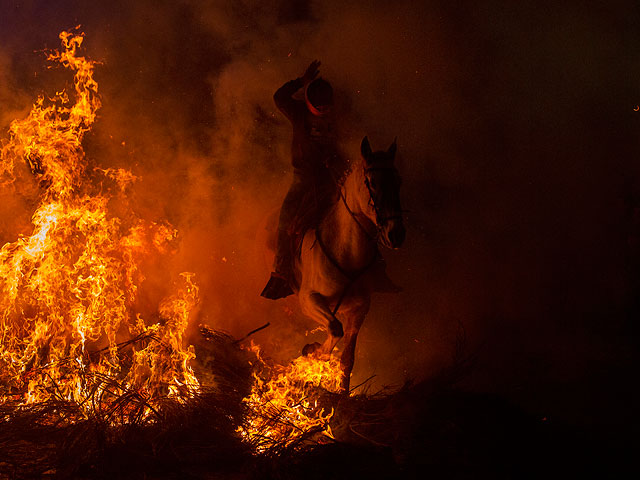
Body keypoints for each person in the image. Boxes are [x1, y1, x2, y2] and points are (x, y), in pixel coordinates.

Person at [261, 60, 346, 300]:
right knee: (286, 217)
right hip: (304, 178)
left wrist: (337, 163)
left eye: (326, 106)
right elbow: (279, 97)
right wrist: (301, 81)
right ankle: (281, 272)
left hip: (331, 176)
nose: (323, 110)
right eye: (319, 106)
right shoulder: (298, 112)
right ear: (308, 102)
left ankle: (375, 267)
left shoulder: (339, 115)